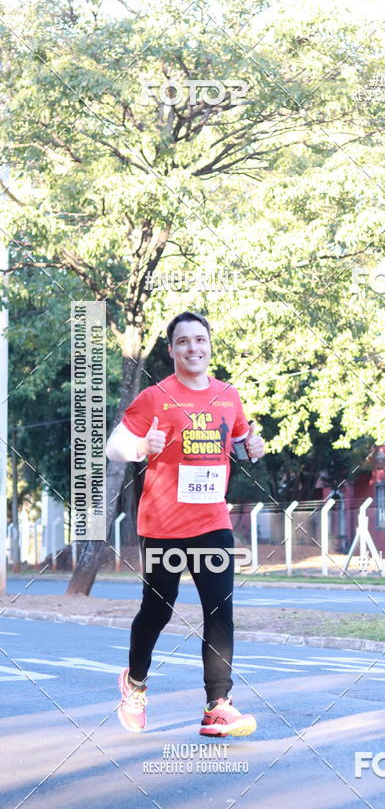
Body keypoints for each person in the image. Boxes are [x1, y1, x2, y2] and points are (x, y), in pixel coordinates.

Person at [106, 311, 265, 736]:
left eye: (200, 339)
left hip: (212, 521)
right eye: (183, 342)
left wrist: (253, 447)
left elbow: (239, 443)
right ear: (172, 349)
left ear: (209, 344)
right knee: (158, 609)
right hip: (162, 525)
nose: (193, 348)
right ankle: (135, 683)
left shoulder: (229, 396)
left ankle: (218, 705)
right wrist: (142, 445)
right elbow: (114, 445)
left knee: (219, 610)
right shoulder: (156, 397)